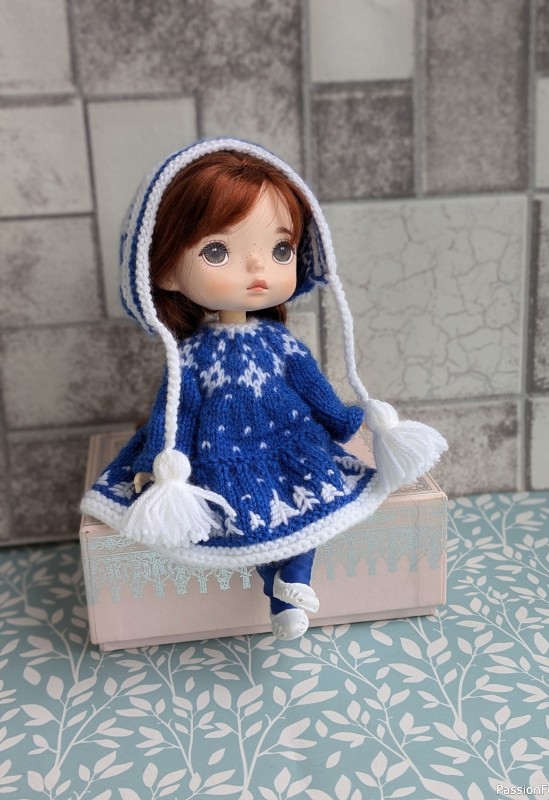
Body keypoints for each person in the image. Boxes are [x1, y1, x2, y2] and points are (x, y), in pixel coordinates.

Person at [81, 139, 447, 640]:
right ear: (164, 270)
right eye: (217, 251)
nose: (258, 269)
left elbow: (311, 384)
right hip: (223, 454)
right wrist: (163, 461)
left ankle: (292, 584)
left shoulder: (279, 342)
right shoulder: (191, 355)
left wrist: (342, 420)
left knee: (312, 508)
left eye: (280, 250)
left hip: (292, 444)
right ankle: (280, 588)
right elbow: (178, 411)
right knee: (245, 520)